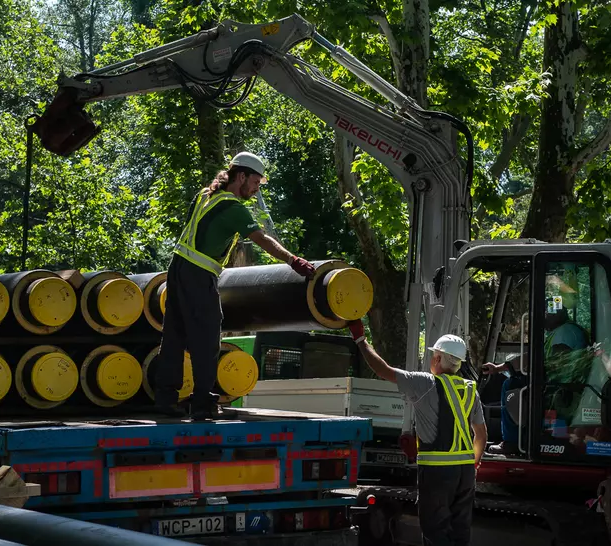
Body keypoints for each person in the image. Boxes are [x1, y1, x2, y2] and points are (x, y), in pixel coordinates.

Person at [155, 152, 315, 420]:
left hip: (177, 270)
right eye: (255, 182)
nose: (255, 189)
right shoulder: (233, 208)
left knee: (174, 335)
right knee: (206, 337)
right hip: (199, 275)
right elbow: (261, 239)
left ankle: (165, 399)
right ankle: (203, 404)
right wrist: (292, 260)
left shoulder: (205, 195)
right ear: (241, 176)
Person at [348, 320, 487, 546]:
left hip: (438, 473)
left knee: (436, 531)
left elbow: (383, 370)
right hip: (465, 474)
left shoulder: (425, 384)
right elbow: (480, 434)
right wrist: (474, 464)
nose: (432, 359)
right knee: (460, 532)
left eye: (434, 355)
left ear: (439, 358)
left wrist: (361, 340)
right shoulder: (471, 389)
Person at [482, 275, 588, 455]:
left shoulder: (566, 333)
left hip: (560, 390)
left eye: (548, 311)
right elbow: (532, 356)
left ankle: (512, 442)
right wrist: (500, 368)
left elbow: (555, 365)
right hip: (556, 385)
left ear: (560, 312)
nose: (544, 316)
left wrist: (525, 373)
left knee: (511, 386)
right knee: (514, 380)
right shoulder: (559, 332)